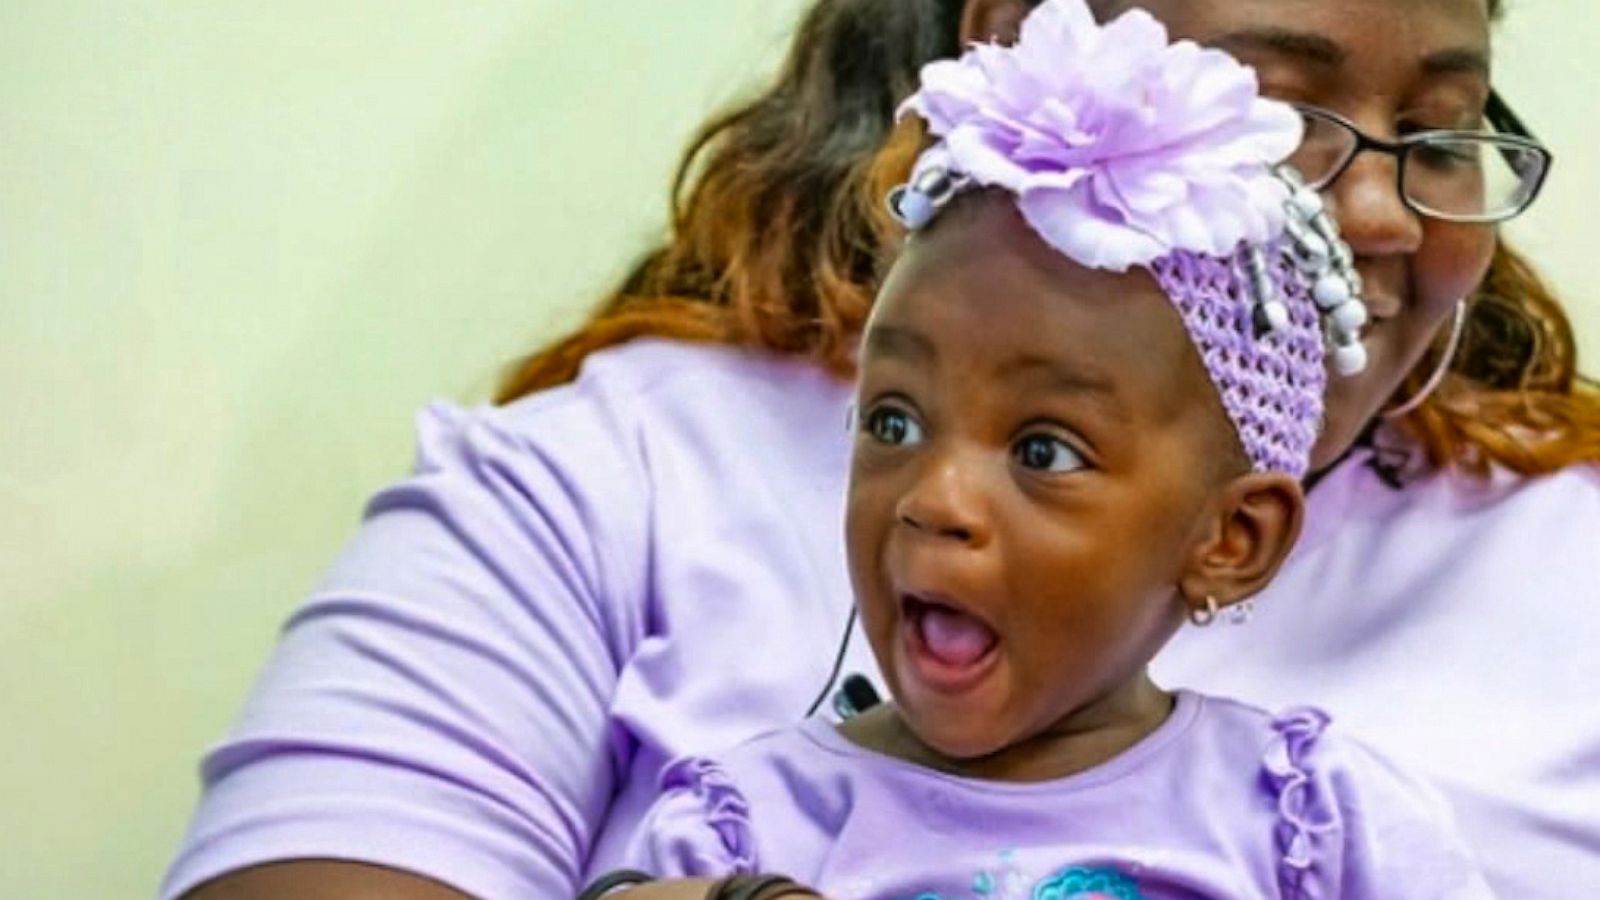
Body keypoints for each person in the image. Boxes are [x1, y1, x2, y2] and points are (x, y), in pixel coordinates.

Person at [162, 1, 1599, 898]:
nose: (1390, 220)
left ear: (1240, 536)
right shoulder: (610, 483)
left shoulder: (1556, 568)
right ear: (1023, 58)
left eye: (1443, 130)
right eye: (1277, 107)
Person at [585, 6, 1492, 898]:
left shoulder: (1306, 821)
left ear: (1234, 539)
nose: (934, 499)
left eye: (1045, 451)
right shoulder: (748, 829)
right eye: (893, 422)